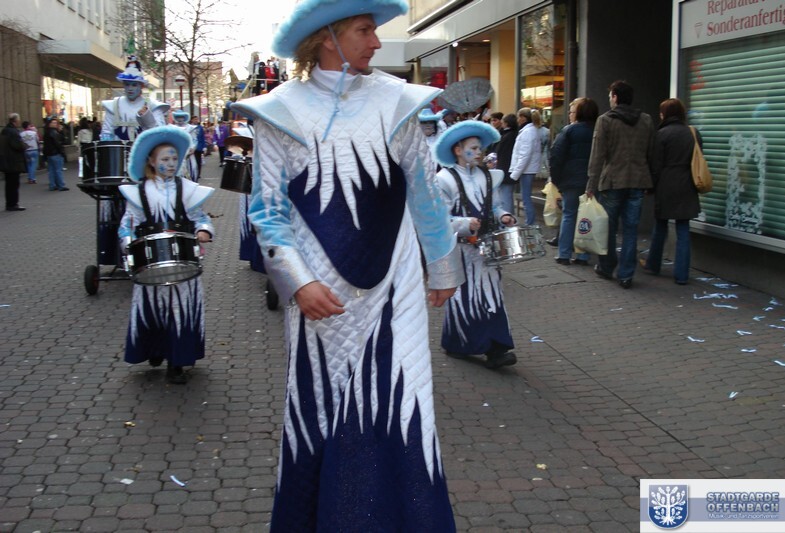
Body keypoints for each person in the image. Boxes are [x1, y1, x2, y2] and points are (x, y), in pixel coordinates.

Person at [231, 0, 463, 530]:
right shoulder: (280, 110)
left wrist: (443, 266)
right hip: (319, 292)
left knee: (404, 400)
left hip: (396, 286)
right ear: (326, 36)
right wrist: (297, 282)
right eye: (364, 31)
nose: (376, 42)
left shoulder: (397, 101)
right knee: (320, 403)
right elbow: (267, 211)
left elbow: (426, 192)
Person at [117, 126, 215, 384]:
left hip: (183, 261)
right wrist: (128, 244)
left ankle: (176, 361)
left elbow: (201, 218)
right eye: (165, 159)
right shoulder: (139, 191)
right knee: (152, 307)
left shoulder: (187, 189)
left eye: (174, 159)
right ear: (151, 161)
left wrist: (204, 231)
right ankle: (155, 349)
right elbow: (127, 224)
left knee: (180, 308)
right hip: (150, 261)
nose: (171, 164)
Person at [433, 120, 518, 369]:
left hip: (487, 250)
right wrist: (464, 223)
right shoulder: (444, 180)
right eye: (473, 148)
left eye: (480, 148)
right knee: (464, 296)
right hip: (459, 251)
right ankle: (463, 344)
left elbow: (494, 207)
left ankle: (496, 347)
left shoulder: (487, 177)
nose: (479, 152)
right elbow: (438, 220)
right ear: (458, 150)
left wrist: (503, 216)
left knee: (491, 294)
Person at [587, 80, 655, 289]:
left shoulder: (605, 120)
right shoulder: (646, 120)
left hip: (612, 181)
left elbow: (597, 155)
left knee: (608, 227)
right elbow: (651, 152)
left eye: (610, 96)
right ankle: (626, 274)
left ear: (615, 97)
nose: (609, 99)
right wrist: (650, 180)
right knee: (631, 229)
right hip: (637, 181)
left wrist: (591, 184)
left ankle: (607, 266)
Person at [641, 98, 701, 285]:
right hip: (687, 183)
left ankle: (653, 264)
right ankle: (682, 275)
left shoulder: (662, 134)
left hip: (666, 184)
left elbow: (656, 164)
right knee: (683, 229)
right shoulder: (693, 133)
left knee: (660, 226)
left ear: (665, 115)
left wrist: (650, 186)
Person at [549, 97, 599, 266]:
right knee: (586, 217)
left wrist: (556, 179)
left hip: (570, 179)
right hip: (591, 180)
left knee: (569, 215)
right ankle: (582, 255)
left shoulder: (569, 131)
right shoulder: (598, 130)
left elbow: (556, 155)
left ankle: (564, 254)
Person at [100, 56, 169, 142]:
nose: (130, 88)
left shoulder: (152, 105)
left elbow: (160, 134)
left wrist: (147, 117)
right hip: (119, 150)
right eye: (127, 84)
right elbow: (106, 133)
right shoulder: (114, 105)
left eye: (134, 85)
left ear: (141, 86)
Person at [509, 107, 547, 226]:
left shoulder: (528, 132)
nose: (517, 120)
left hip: (527, 169)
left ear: (523, 118)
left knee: (526, 198)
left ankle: (530, 223)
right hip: (527, 169)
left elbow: (525, 154)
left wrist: (515, 172)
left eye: (518, 117)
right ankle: (529, 223)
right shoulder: (530, 131)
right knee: (526, 197)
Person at [1, 113, 27, 211]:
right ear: (16, 120)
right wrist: (24, 145)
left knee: (9, 184)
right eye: (18, 119)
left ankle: (9, 203)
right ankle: (13, 204)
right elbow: (18, 145)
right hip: (14, 161)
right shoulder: (13, 132)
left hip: (6, 160)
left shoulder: (4, 131)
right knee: (14, 184)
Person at [494, 113, 518, 214]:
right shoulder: (512, 134)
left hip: (505, 168)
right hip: (508, 168)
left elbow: (500, 153)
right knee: (506, 195)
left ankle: (508, 216)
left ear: (507, 123)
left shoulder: (507, 136)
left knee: (505, 196)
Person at [171, 111, 199, 182]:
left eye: (181, 117)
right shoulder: (172, 128)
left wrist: (192, 148)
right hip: (177, 153)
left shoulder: (190, 128)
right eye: (178, 117)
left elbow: (194, 139)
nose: (180, 119)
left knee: (191, 170)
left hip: (188, 154)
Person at [42, 117, 68, 191]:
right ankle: (61, 185)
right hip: (56, 153)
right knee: (58, 170)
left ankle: (52, 185)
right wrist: (61, 152)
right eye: (53, 123)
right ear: (50, 124)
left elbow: (46, 145)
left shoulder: (46, 132)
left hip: (49, 154)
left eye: (56, 123)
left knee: (51, 170)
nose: (55, 124)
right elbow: (59, 142)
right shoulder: (54, 132)